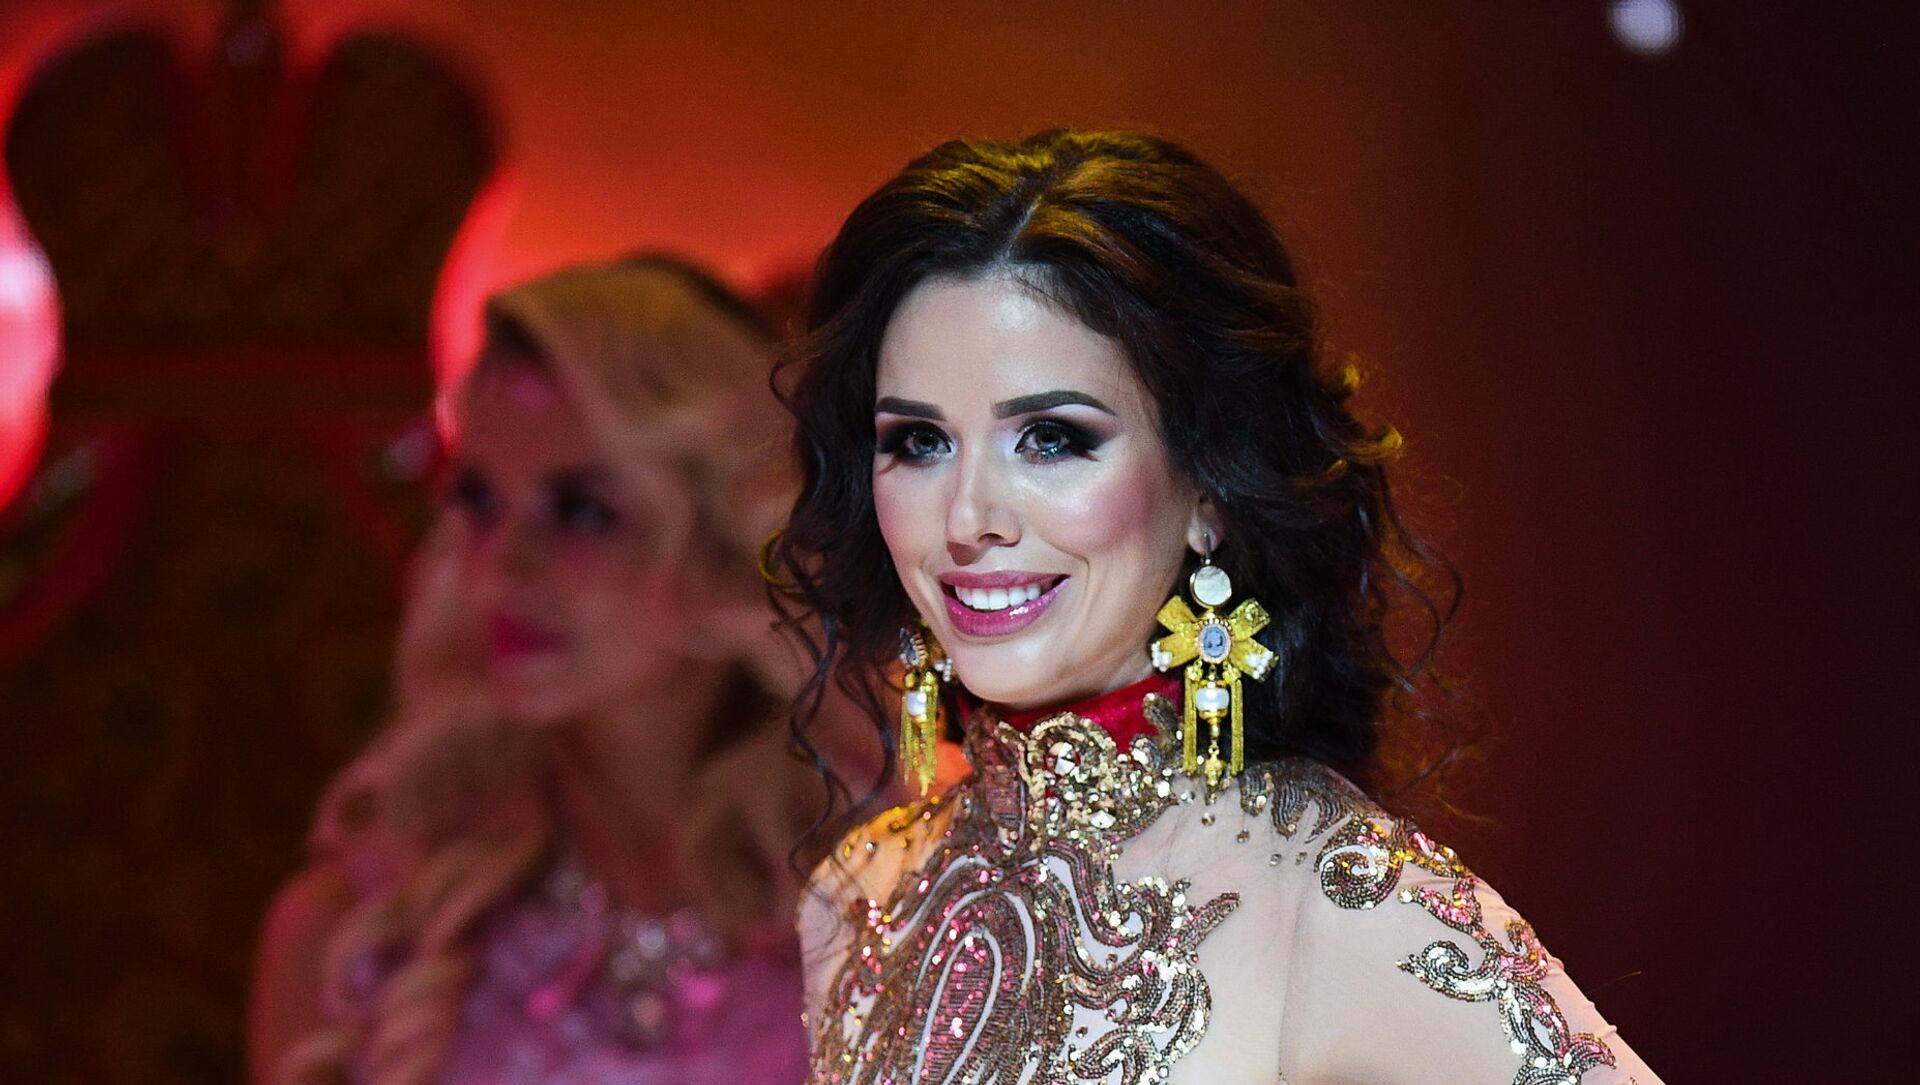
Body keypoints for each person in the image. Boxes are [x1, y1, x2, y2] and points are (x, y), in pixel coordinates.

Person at [767, 130, 1664, 1084]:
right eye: (918, 442)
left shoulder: (1333, 902)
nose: (967, 518)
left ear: (1209, 487)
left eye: (1051, 438)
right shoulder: (854, 898)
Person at [250, 256, 836, 1085]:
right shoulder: (358, 937)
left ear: (720, 537)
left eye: (581, 510)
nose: (502, 566)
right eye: (479, 501)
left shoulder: (890, 909)